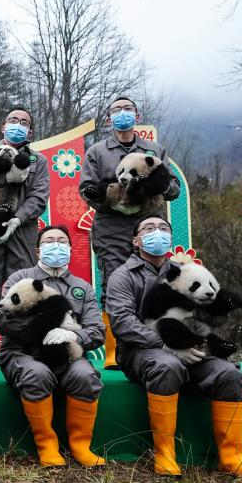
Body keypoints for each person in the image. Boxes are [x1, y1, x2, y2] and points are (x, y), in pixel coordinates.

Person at [106, 216, 242, 476]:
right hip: (140, 351)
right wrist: (166, 343)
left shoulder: (190, 273)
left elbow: (205, 310)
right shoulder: (122, 277)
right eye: (149, 228)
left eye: (163, 228)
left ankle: (232, 457)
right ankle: (165, 454)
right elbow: (122, 323)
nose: (157, 232)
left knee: (228, 374)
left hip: (190, 345)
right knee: (167, 365)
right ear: (136, 241)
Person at [79, 96, 180, 369]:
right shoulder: (97, 152)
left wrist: (153, 187)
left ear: (136, 114)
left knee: (155, 284)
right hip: (112, 227)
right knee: (113, 283)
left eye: (127, 109)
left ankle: (160, 340)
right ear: (108, 117)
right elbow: (86, 190)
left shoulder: (154, 149)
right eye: (116, 110)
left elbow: (173, 188)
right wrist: (111, 196)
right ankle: (114, 350)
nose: (122, 114)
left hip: (149, 223)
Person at [0, 225, 106, 468]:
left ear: (70, 248)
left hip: (67, 354)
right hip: (22, 353)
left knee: (86, 376)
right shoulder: (19, 279)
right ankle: (47, 445)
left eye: (62, 241)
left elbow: (97, 331)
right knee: (36, 373)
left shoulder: (82, 287)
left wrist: (72, 335)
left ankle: (80, 446)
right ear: (38, 250)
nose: (56, 245)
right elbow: (1, 318)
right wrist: (39, 331)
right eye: (49, 241)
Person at [0, 106, 50, 368]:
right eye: (13, 120)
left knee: (22, 287)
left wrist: (18, 218)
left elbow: (39, 196)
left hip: (22, 231)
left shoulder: (39, 161)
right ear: (3, 126)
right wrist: (5, 173)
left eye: (24, 121)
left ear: (30, 130)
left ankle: (16, 348)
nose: (18, 124)